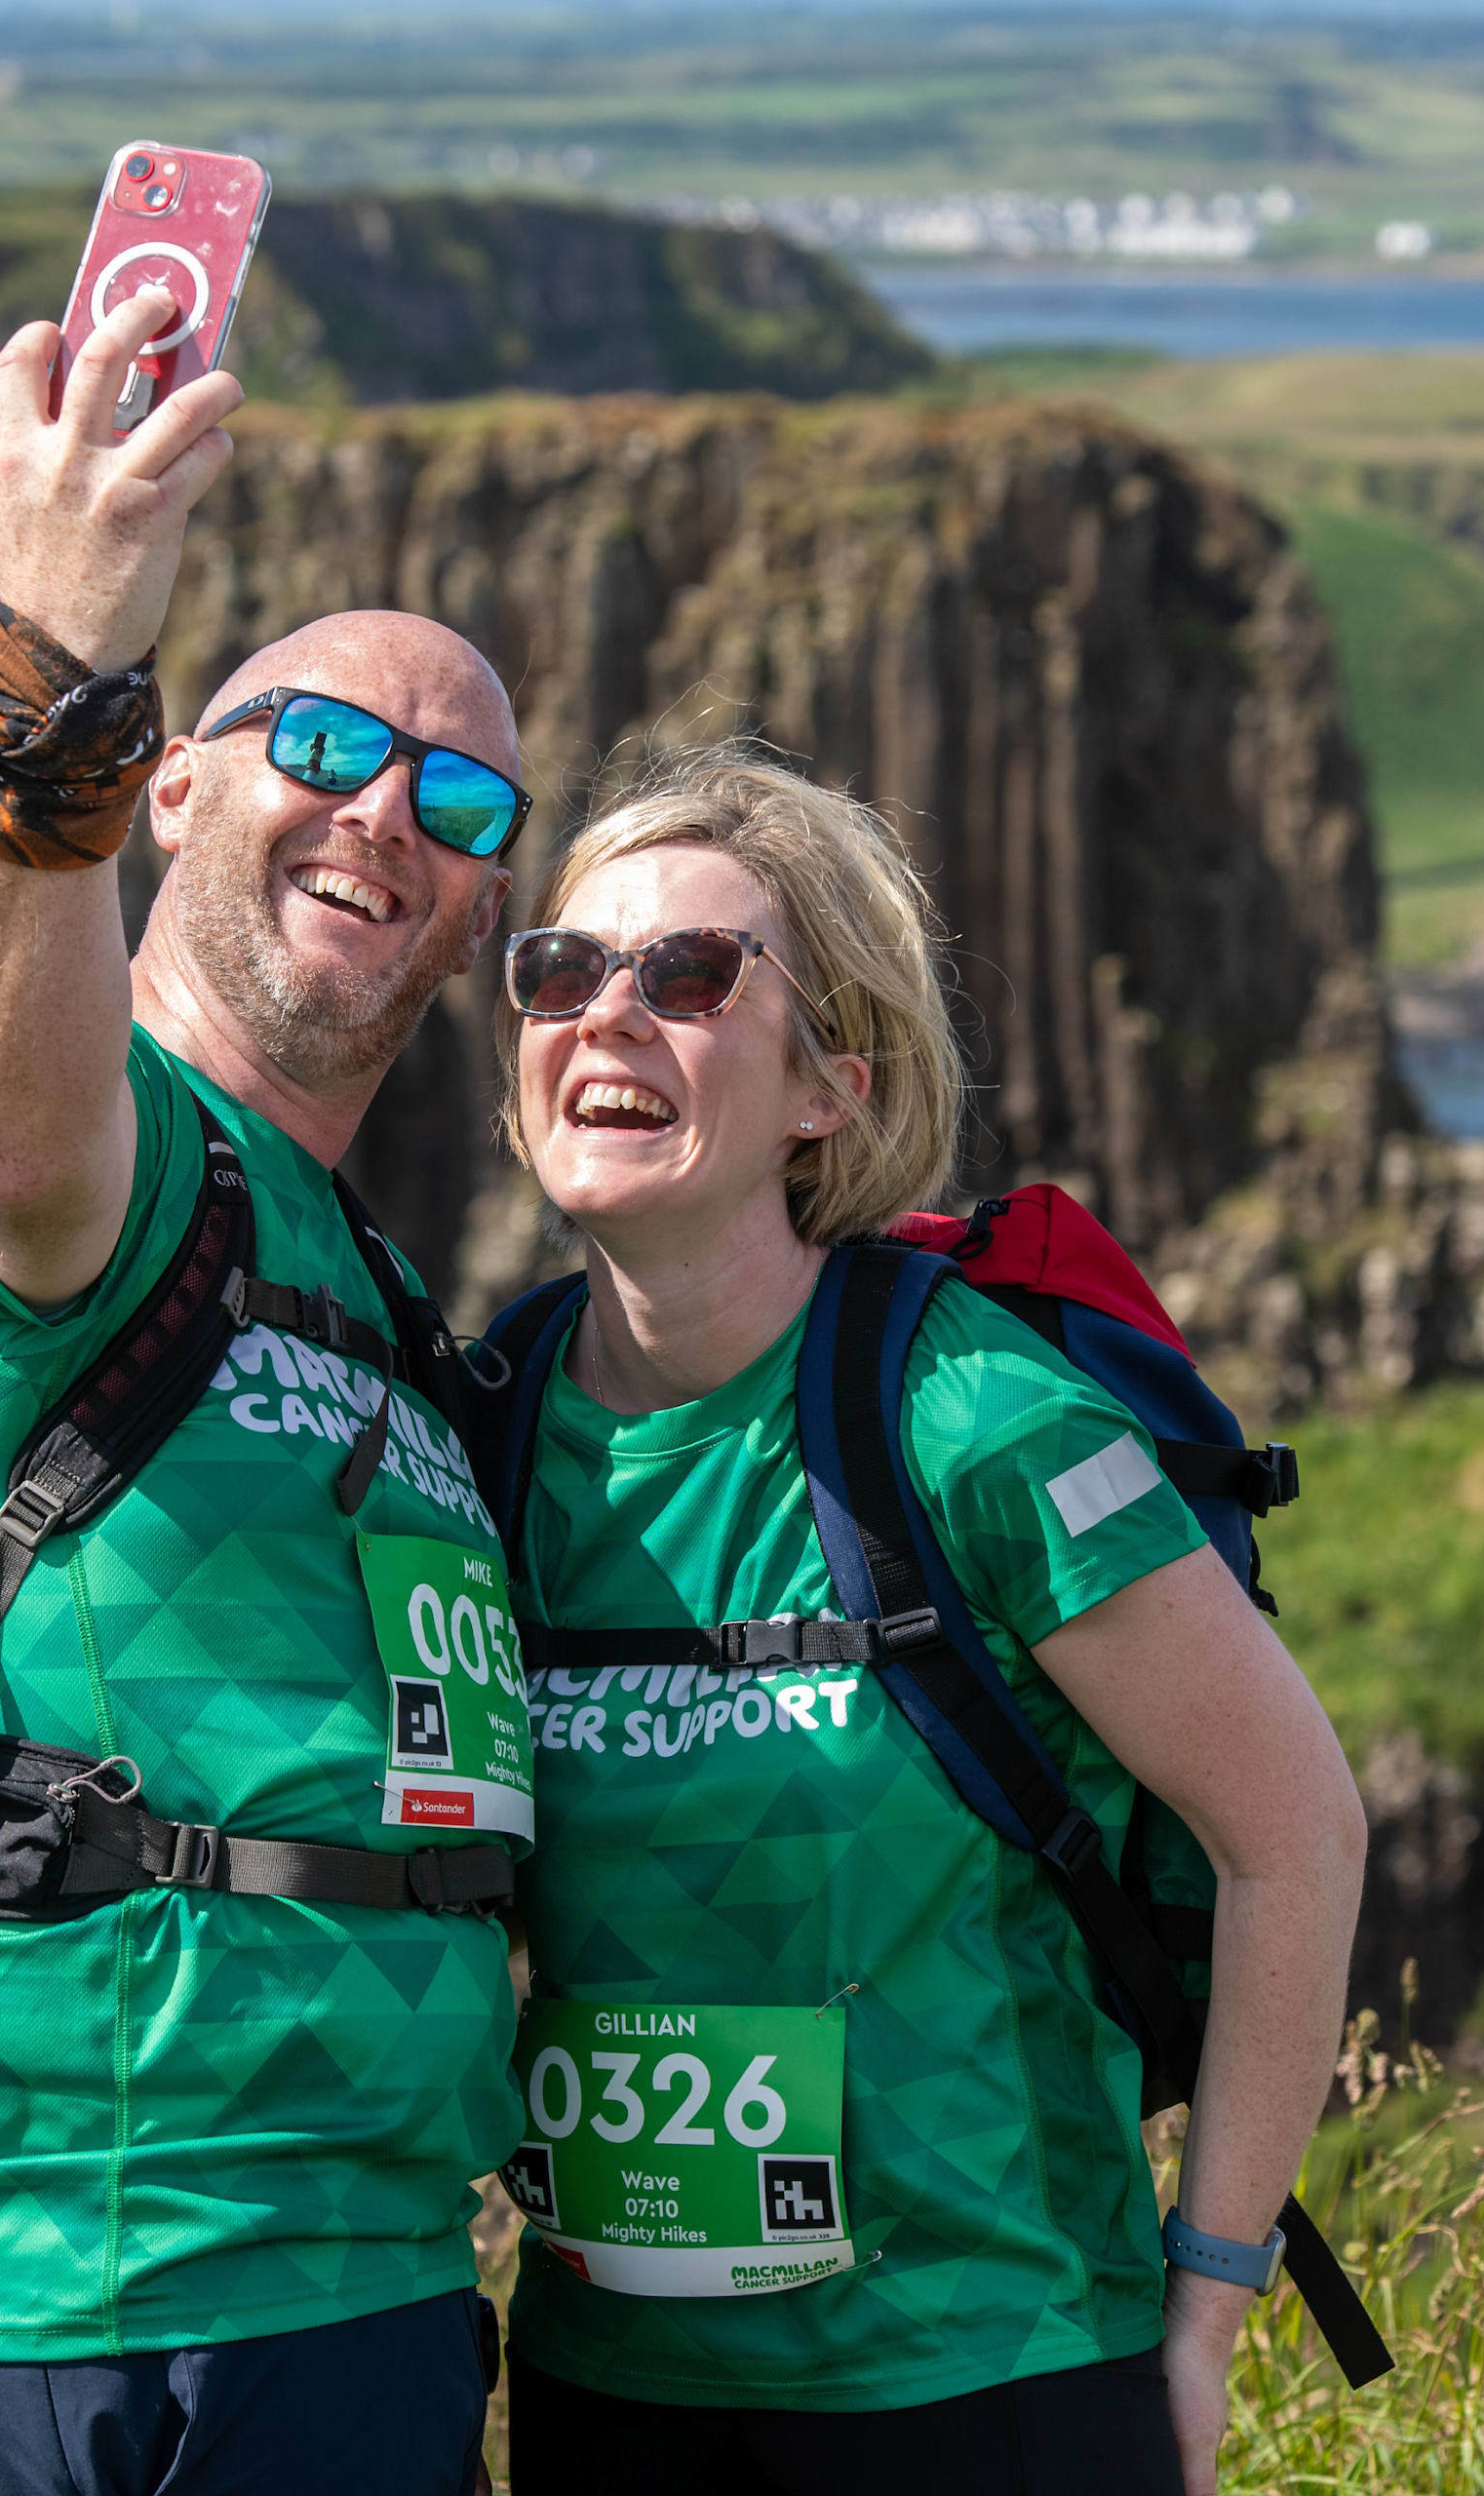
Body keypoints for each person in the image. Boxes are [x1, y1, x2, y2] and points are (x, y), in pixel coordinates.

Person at [0, 290, 533, 2494]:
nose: (383, 810)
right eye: (324, 745)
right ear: (180, 783)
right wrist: (53, 657)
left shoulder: (377, 1291)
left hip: (366, 2278)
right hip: (94, 2284)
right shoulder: (97, 1166)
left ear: (484, 895)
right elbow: (3, 1124)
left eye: (458, 788)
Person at [484, 753, 1371, 2496]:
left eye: (691, 977)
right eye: (562, 969)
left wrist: (1209, 2305)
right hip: (608, 2395)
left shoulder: (973, 1422)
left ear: (833, 1085)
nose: (610, 1016)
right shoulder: (484, 1428)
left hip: (986, 2389)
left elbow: (1297, 1834)